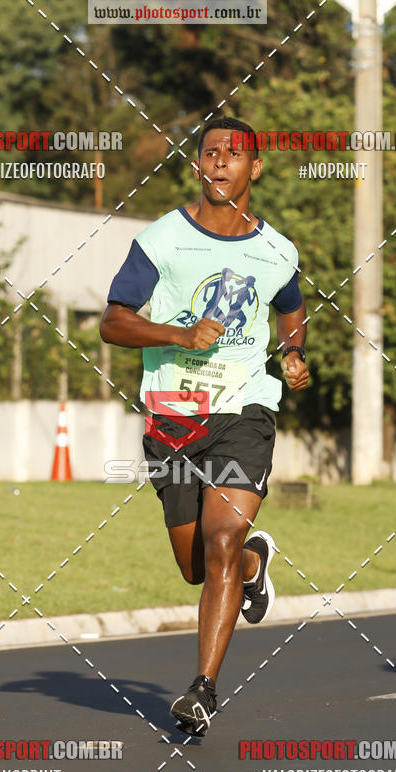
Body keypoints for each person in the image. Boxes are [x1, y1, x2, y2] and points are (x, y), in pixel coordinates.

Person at [100, 116, 309, 736]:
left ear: (255, 167)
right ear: (198, 165)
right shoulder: (162, 240)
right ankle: (252, 565)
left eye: (233, 153)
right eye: (209, 153)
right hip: (172, 419)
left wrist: (293, 356)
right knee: (197, 564)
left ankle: (202, 689)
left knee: (218, 540)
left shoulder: (277, 249)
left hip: (244, 411)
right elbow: (113, 323)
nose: (220, 162)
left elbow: (290, 309)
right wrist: (178, 335)